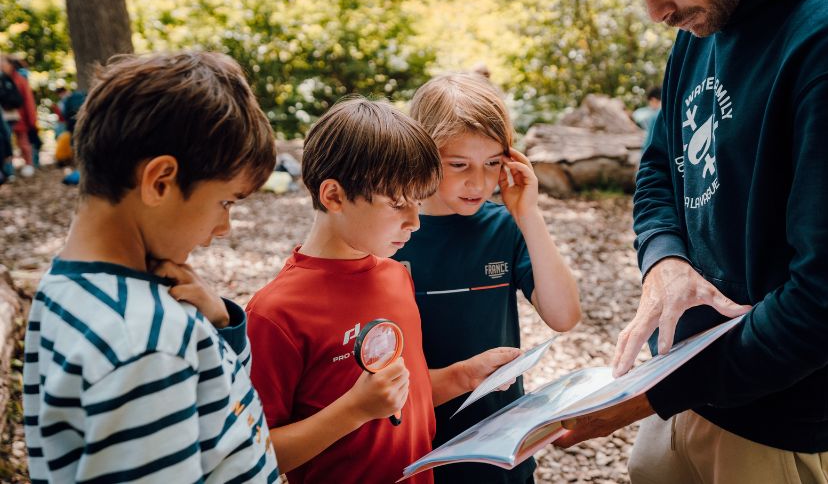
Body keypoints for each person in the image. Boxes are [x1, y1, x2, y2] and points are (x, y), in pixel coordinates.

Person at [558, 0, 828, 482]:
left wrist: (652, 394)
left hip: (785, 431)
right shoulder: (703, 22)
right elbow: (659, 169)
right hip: (686, 393)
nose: (656, 12)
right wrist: (663, 260)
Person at [22, 52, 281, 483]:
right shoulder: (146, 340)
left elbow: (220, 401)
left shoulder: (68, 289)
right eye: (225, 202)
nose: (224, 227)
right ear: (160, 180)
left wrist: (219, 323)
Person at [245, 97, 522, 484]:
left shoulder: (395, 276)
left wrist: (463, 377)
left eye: (418, 203)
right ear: (334, 196)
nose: (415, 222)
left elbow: (399, 395)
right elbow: (254, 452)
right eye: (397, 204)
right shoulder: (275, 313)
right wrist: (353, 411)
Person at [394, 72, 582, 484]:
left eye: (493, 163)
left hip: (498, 446)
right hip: (414, 445)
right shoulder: (390, 234)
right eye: (459, 165)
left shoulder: (505, 227)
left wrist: (528, 214)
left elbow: (564, 315)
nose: (478, 182)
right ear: (421, 155)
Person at [0, 56, 35, 176]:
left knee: (23, 142)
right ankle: (9, 171)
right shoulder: (5, 78)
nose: (1, 65)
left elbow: (28, 101)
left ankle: (29, 165)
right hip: (7, 117)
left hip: (18, 117)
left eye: (3, 62)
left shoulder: (19, 79)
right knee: (6, 143)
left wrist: (31, 119)